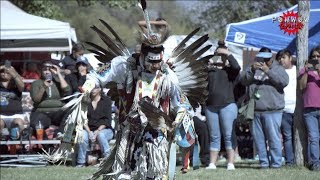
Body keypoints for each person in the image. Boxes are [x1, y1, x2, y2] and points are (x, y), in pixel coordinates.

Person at [240, 47, 289, 169]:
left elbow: (283, 82)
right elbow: (243, 81)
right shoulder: (253, 67)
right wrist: (251, 69)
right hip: (255, 110)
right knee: (259, 140)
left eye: (266, 58)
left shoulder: (278, 68)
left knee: (273, 139)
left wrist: (268, 71)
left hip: (273, 111)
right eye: (261, 58)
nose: (263, 60)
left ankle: (276, 164)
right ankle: (264, 163)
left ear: (270, 58)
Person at [205, 40, 241, 170]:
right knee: (214, 135)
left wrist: (228, 54)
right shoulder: (210, 71)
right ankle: (212, 163)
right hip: (211, 107)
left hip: (227, 106)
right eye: (218, 54)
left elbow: (237, 67)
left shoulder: (230, 71)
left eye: (223, 55)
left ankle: (230, 163)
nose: (220, 57)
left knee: (228, 134)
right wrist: (208, 64)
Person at [29, 61, 70, 137]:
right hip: (42, 112)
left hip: (57, 112)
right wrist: (44, 87)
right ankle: (47, 146)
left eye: (49, 70)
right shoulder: (36, 83)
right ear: (41, 71)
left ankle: (59, 133)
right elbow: (36, 100)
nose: (47, 72)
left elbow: (67, 89)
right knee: (35, 124)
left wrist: (58, 74)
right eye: (45, 70)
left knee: (71, 112)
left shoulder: (58, 82)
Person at [76, 86, 114, 167]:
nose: (93, 90)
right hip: (88, 128)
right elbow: (83, 118)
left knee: (101, 135)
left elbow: (107, 120)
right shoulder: (84, 100)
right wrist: (89, 132)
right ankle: (80, 162)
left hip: (105, 129)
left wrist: (98, 131)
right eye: (91, 88)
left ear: (100, 89)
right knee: (82, 135)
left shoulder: (106, 101)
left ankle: (107, 160)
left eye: (95, 88)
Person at [298, 46, 320, 171]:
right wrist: (306, 71)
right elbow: (301, 87)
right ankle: (315, 163)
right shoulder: (304, 71)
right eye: (313, 57)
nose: (316, 58)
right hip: (310, 109)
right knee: (314, 137)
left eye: (318, 56)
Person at [276, 49, 296, 166]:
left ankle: (307, 159)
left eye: (284, 57)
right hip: (284, 109)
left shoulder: (297, 71)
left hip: (298, 109)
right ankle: (290, 162)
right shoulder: (277, 72)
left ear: (290, 58)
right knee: (287, 136)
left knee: (300, 136)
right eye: (279, 58)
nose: (281, 60)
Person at [0, 63, 26, 139]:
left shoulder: (16, 84)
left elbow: (22, 87)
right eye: (2, 71)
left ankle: (15, 144)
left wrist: (13, 72)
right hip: (1, 115)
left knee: (19, 124)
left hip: (16, 115)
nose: (4, 73)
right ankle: (3, 142)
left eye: (7, 72)